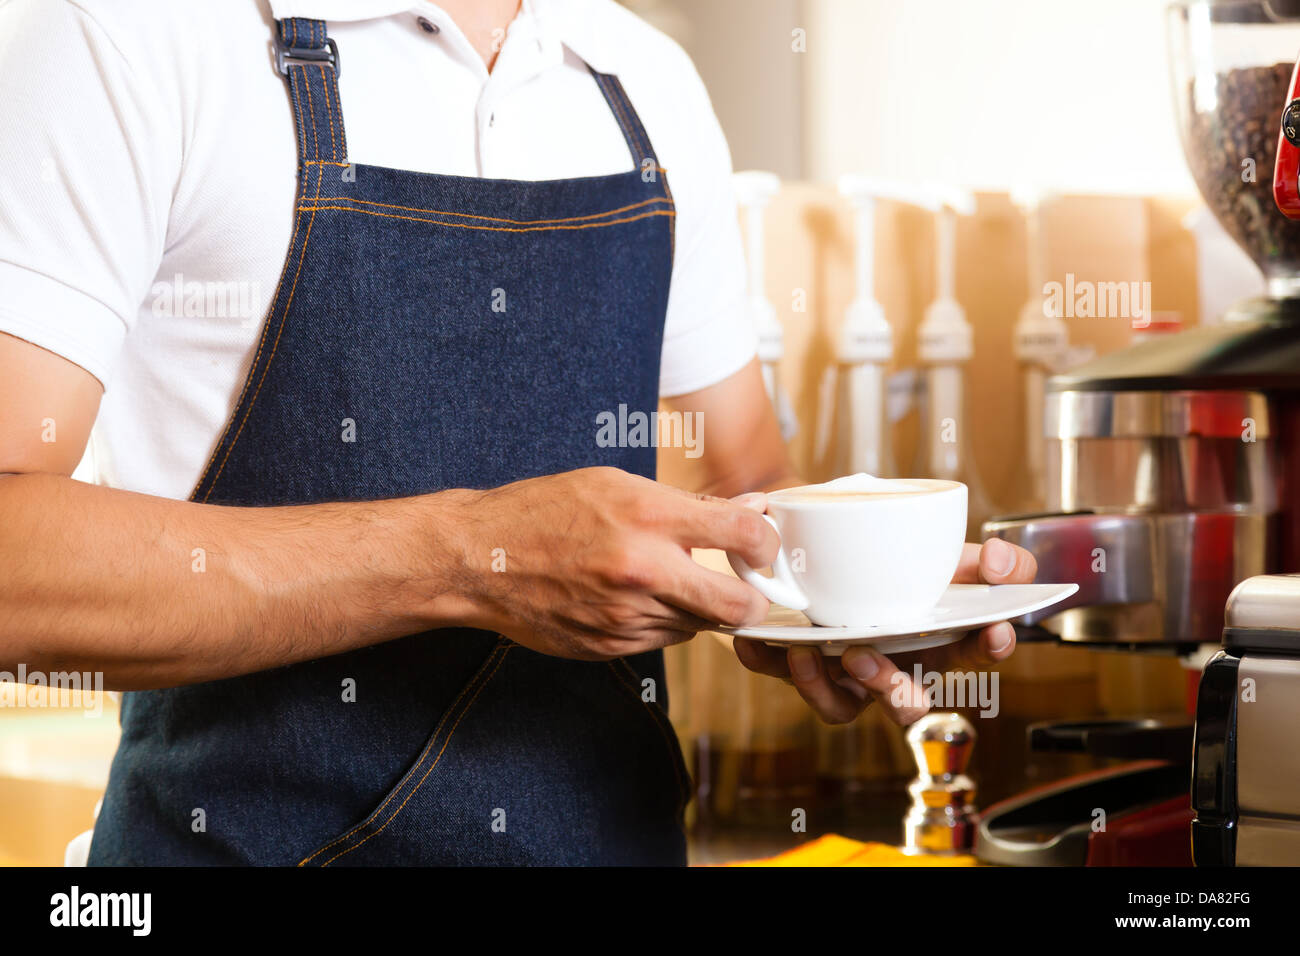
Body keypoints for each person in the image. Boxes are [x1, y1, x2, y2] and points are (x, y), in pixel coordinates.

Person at [0, 0, 1036, 865]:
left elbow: (749, 485)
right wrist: (467, 557)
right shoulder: (129, 34)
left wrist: (848, 602)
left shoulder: (644, 78)